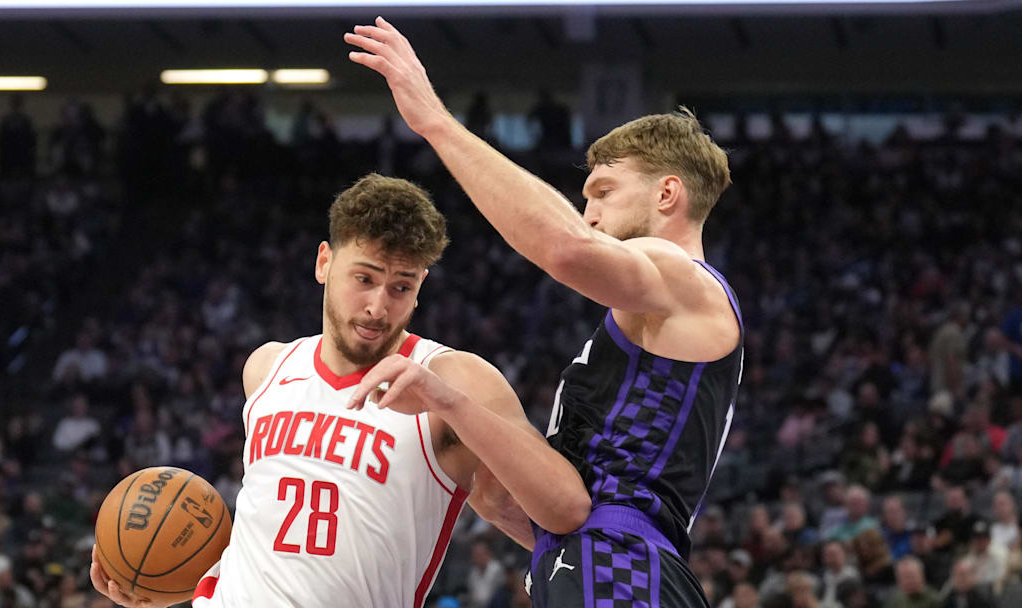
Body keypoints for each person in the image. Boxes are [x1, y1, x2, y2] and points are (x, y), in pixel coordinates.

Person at [347, 17, 742, 607]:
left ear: (667, 195)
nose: (588, 215)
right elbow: (548, 503)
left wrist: (434, 121)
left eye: (603, 192)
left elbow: (564, 249)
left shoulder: (686, 281)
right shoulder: (646, 323)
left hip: (622, 568)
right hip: (586, 560)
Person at [89, 174, 590, 607]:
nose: (378, 306)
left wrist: (447, 402)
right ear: (324, 262)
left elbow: (561, 509)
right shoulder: (266, 368)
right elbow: (271, 541)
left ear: (422, 285)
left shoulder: (455, 378)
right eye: (364, 278)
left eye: (401, 287)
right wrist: (156, 580)